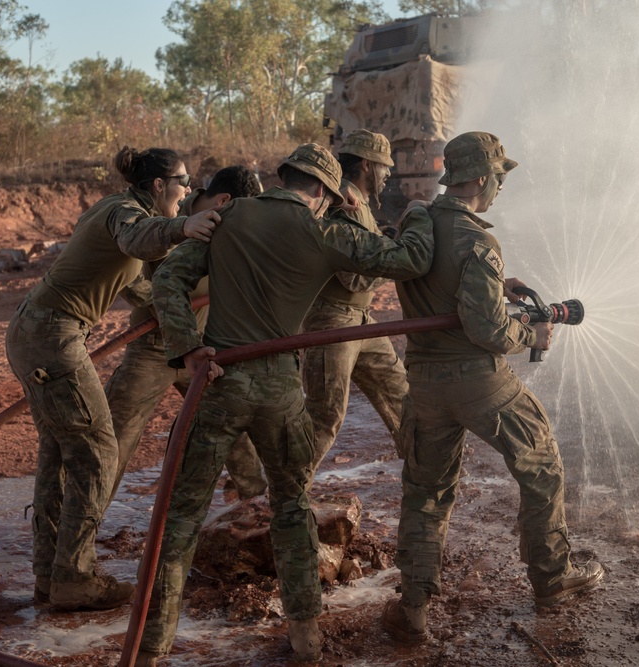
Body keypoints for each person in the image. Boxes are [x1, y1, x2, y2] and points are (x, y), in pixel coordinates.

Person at [136, 143, 434, 665]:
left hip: (220, 380)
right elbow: (410, 260)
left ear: (286, 178)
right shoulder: (326, 232)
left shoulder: (227, 215)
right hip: (279, 388)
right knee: (292, 508)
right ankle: (305, 638)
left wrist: (187, 348)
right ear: (321, 189)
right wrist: (419, 217)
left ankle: (151, 647)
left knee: (180, 517)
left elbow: (167, 278)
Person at [382, 132, 604, 644]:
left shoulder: (420, 223)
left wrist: (496, 284)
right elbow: (486, 332)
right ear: (482, 178)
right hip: (478, 381)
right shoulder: (479, 240)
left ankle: (413, 607)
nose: (501, 186)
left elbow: (435, 276)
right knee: (542, 464)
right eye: (499, 176)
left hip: (424, 385)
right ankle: (552, 579)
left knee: (425, 492)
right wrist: (533, 331)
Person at [5, 146, 220, 612]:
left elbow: (137, 283)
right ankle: (76, 576)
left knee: (61, 451)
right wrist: (184, 228)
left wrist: (177, 299)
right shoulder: (126, 214)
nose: (187, 193)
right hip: (53, 336)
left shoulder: (111, 210)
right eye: (183, 183)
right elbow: (139, 240)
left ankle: (50, 575)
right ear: (159, 185)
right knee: (99, 449)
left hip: (37, 330)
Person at [104, 165, 268, 505]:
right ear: (224, 201)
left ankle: (256, 508)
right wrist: (169, 305)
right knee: (115, 440)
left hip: (204, 346)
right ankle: (79, 530)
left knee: (229, 424)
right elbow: (127, 274)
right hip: (154, 348)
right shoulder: (164, 213)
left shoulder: (229, 225)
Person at [301, 129, 409, 476]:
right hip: (332, 321)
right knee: (324, 417)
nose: (389, 174)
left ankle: (426, 477)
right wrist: (401, 260)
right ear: (366, 164)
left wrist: (390, 244)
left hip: (358, 319)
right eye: (384, 166)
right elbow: (355, 275)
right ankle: (285, 499)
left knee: (402, 397)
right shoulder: (345, 200)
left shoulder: (357, 202)